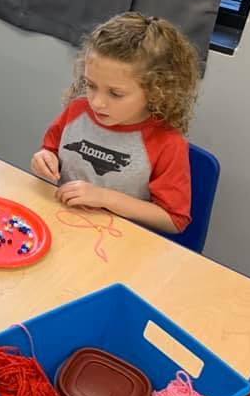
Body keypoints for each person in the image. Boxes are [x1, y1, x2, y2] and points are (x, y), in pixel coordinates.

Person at [30, 12, 201, 233]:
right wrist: (44, 158)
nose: (97, 103)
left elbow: (173, 219)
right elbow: (50, 151)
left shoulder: (167, 143)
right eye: (91, 85)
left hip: (116, 243)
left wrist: (104, 198)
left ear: (157, 91)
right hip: (62, 225)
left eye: (116, 94)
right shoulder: (76, 111)